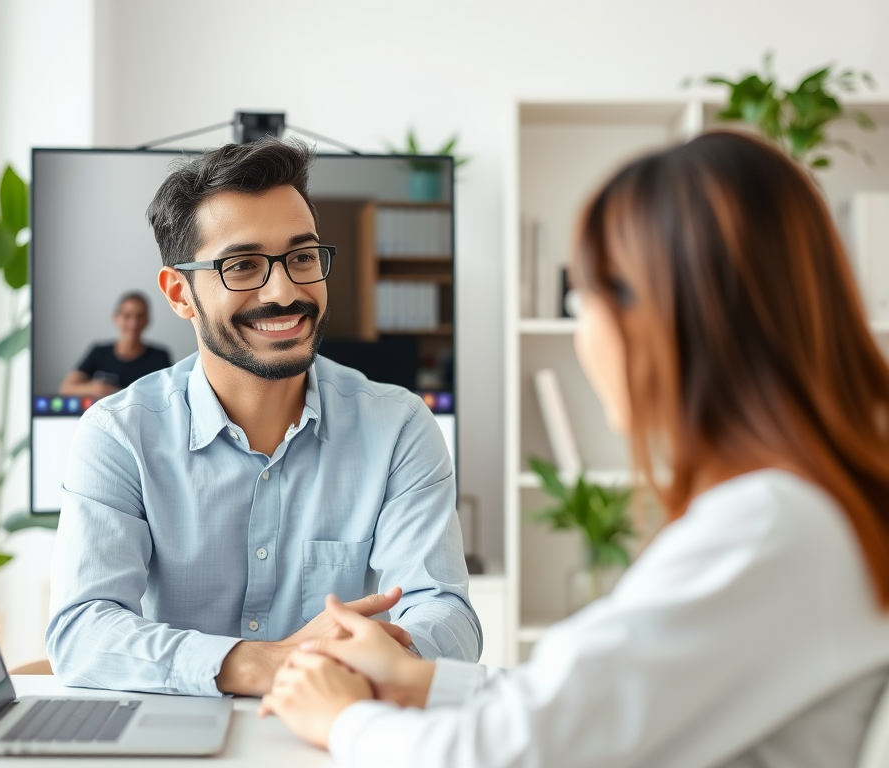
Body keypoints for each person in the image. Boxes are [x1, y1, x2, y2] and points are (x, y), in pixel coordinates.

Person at [260, 131, 889, 767]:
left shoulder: (768, 526)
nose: (583, 334)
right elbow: (585, 706)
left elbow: (505, 756)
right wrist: (420, 680)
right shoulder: (816, 510)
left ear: (669, 315)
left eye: (584, 298)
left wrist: (341, 718)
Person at [45, 137, 481, 698]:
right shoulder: (119, 435)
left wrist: (380, 654)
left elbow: (447, 613)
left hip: (339, 732)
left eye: (301, 257)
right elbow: (81, 630)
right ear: (180, 292)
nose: (285, 291)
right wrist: (260, 664)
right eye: (243, 266)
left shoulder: (398, 427)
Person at [59, 291, 172, 398]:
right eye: (127, 316)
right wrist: (92, 388)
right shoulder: (99, 353)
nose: (133, 323)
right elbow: (65, 388)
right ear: (116, 318)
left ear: (147, 320)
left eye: (140, 316)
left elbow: (170, 394)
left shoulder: (159, 357)